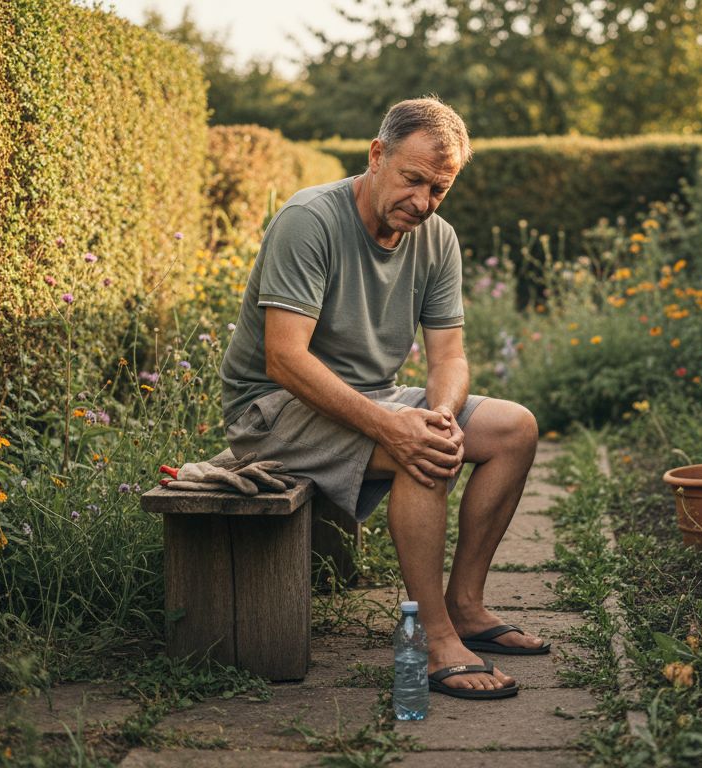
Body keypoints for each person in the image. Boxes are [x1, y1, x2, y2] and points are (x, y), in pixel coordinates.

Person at [218, 97, 546, 699]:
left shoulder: (437, 239)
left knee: (512, 428)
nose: (422, 202)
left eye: (438, 189)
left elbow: (449, 356)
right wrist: (395, 426)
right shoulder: (309, 220)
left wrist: (441, 415)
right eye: (413, 179)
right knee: (416, 448)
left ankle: (466, 607)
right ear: (377, 155)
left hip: (373, 395)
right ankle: (435, 640)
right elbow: (284, 358)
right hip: (272, 410)